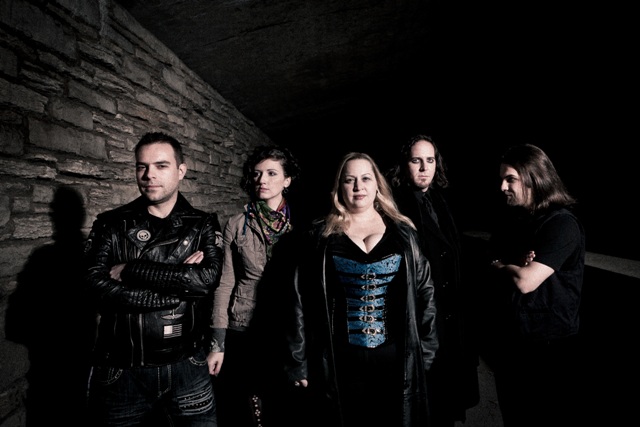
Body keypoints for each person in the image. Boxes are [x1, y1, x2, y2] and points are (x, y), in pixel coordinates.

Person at [284, 152, 438, 427]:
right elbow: (298, 300)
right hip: (338, 360)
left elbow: (425, 294)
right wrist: (298, 360)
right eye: (349, 180)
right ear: (339, 187)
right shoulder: (320, 235)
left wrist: (426, 351)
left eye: (366, 178)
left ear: (377, 184)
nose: (358, 186)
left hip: (395, 358)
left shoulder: (404, 233)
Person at [84, 132, 223, 426]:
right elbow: (93, 286)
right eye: (142, 166)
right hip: (122, 369)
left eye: (161, 166)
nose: (149, 175)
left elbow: (205, 280)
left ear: (180, 171)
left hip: (187, 366)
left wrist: (131, 270)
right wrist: (175, 289)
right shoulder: (111, 223)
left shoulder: (202, 224)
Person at [483, 143, 585, 427]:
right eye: (502, 179)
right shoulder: (513, 220)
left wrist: (501, 265)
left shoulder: (562, 225)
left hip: (548, 349)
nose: (502, 187)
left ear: (534, 179)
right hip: (513, 341)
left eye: (510, 179)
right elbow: (486, 258)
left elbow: (525, 281)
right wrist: (508, 263)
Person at [387, 134, 479, 426]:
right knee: (425, 397)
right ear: (405, 165)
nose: (424, 168)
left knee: (447, 395)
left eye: (430, 160)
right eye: (416, 160)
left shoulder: (441, 200)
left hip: (450, 308)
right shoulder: (394, 206)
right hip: (422, 311)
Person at [207, 145, 303, 427]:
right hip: (245, 326)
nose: (262, 180)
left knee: (286, 404)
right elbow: (225, 284)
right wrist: (218, 343)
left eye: (272, 173)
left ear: (287, 180)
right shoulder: (237, 224)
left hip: (290, 328)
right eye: (257, 174)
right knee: (247, 406)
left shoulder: (303, 225)